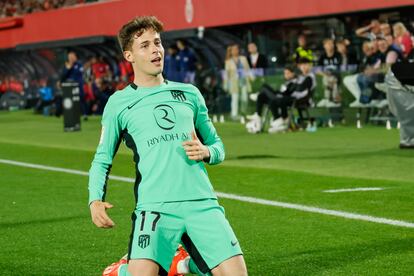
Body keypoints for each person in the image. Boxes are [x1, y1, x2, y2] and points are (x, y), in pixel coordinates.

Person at [88, 16, 247, 276]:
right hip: (155, 207)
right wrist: (95, 200)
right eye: (145, 45)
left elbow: (218, 147)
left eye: (158, 43)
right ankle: (124, 270)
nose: (155, 50)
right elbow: (102, 158)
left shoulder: (190, 94)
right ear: (129, 56)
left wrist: (207, 152)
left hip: (201, 203)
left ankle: (182, 263)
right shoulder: (119, 103)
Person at [245, 65, 298, 133]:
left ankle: (257, 97)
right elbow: (281, 91)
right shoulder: (285, 82)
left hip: (282, 100)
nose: (286, 75)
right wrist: (277, 92)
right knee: (262, 96)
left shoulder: (294, 82)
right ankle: (258, 115)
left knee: (264, 87)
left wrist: (279, 94)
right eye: (285, 73)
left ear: (292, 74)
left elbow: (287, 93)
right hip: (277, 98)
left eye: (288, 73)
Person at [224, 44, 253, 121]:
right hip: (234, 83)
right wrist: (226, 84)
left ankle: (243, 112)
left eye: (237, 49)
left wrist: (252, 78)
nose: (236, 51)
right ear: (231, 51)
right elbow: (226, 74)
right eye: (234, 49)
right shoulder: (228, 61)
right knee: (235, 98)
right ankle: (234, 114)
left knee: (244, 98)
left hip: (243, 81)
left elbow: (248, 69)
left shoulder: (243, 59)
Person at [61, 50, 87, 120]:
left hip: (78, 85)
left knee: (81, 99)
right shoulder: (66, 65)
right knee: (70, 100)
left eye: (72, 57)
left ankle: (84, 114)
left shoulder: (79, 64)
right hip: (69, 86)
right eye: (70, 57)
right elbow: (63, 76)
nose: (71, 58)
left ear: (75, 57)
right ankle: (71, 115)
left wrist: (71, 67)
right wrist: (68, 68)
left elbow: (79, 72)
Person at [316, 38, 342, 108]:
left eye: (332, 43)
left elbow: (342, 68)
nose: (330, 45)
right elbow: (317, 70)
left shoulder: (338, 55)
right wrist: (325, 74)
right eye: (328, 44)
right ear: (324, 46)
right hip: (327, 76)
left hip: (337, 76)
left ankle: (332, 100)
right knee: (326, 78)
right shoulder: (322, 57)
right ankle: (329, 100)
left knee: (332, 79)